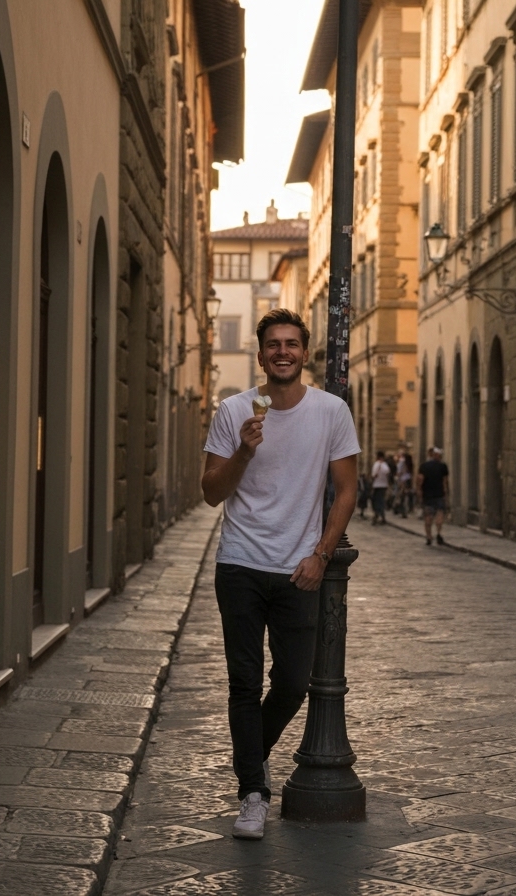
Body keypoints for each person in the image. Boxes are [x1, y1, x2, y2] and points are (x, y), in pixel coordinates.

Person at [200, 308, 360, 841]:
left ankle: (250, 754)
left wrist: (321, 555)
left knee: (293, 683)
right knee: (244, 683)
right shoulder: (233, 410)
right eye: (274, 344)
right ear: (261, 354)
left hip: (299, 569)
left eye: (292, 344)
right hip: (240, 564)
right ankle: (253, 793)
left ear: (305, 353)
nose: (283, 352)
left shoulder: (331, 411)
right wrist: (244, 451)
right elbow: (211, 492)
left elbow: (347, 490)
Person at [416, 446, 449, 546]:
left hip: (427, 495)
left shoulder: (424, 466)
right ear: (438, 455)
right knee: (440, 514)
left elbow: (420, 479)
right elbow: (445, 481)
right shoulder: (443, 466)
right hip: (439, 494)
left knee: (428, 516)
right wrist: (446, 493)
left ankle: (429, 536)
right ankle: (438, 533)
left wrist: (419, 492)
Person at [369, 451, 391, 525]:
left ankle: (376, 516)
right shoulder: (385, 465)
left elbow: (373, 475)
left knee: (376, 502)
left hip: (376, 485)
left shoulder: (376, 464)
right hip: (384, 486)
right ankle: (382, 517)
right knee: (381, 501)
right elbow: (388, 473)